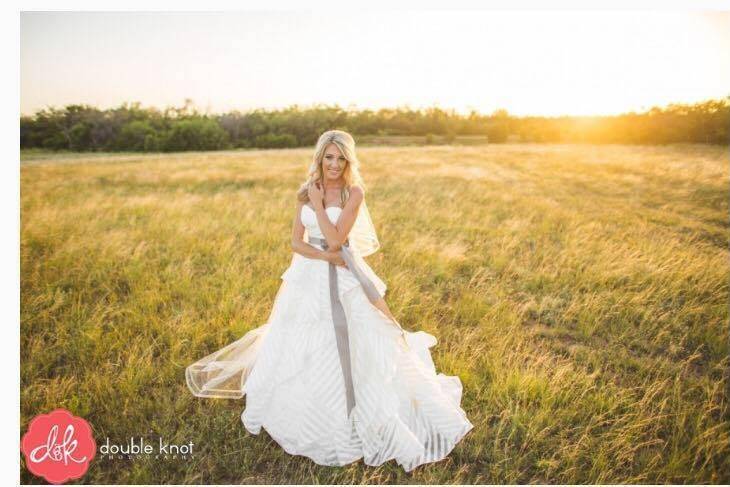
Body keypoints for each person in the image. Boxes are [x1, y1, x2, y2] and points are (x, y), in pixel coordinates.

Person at [186, 129, 473, 472]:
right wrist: (323, 255)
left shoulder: (354, 193)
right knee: (300, 339)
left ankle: (361, 411)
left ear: (348, 161)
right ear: (320, 157)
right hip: (308, 275)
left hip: (346, 275)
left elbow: (336, 240)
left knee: (361, 336)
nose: (334, 164)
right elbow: (296, 243)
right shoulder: (305, 191)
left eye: (341, 158)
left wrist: (320, 207)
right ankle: (299, 409)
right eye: (328, 157)